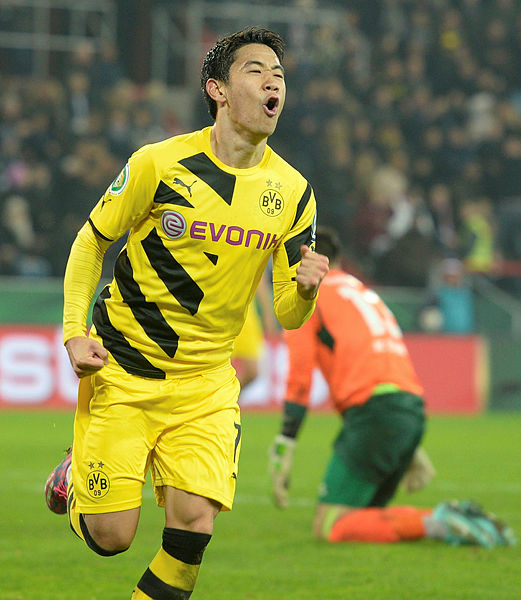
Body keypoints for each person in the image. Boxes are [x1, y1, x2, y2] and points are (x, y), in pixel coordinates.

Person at [44, 27, 329, 600]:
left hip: (205, 386)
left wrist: (305, 291)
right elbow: (91, 241)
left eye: (279, 75)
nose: (273, 82)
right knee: (111, 537)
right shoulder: (159, 163)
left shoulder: (294, 192)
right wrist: (73, 333)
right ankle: (76, 475)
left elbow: (287, 314)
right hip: (124, 369)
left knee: (194, 527)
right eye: (256, 70)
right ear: (217, 89)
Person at [269, 226, 516, 548]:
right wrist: (408, 443)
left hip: (376, 413)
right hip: (407, 408)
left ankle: (439, 522)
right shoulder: (362, 293)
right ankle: (450, 519)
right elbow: (382, 364)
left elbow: (300, 378)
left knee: (331, 525)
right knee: (364, 516)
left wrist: (285, 444)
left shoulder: (308, 294)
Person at [231, 270, 279, 389]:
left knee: (252, 370)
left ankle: (225, 398)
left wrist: (267, 313)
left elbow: (259, 276)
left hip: (245, 310)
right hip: (221, 307)